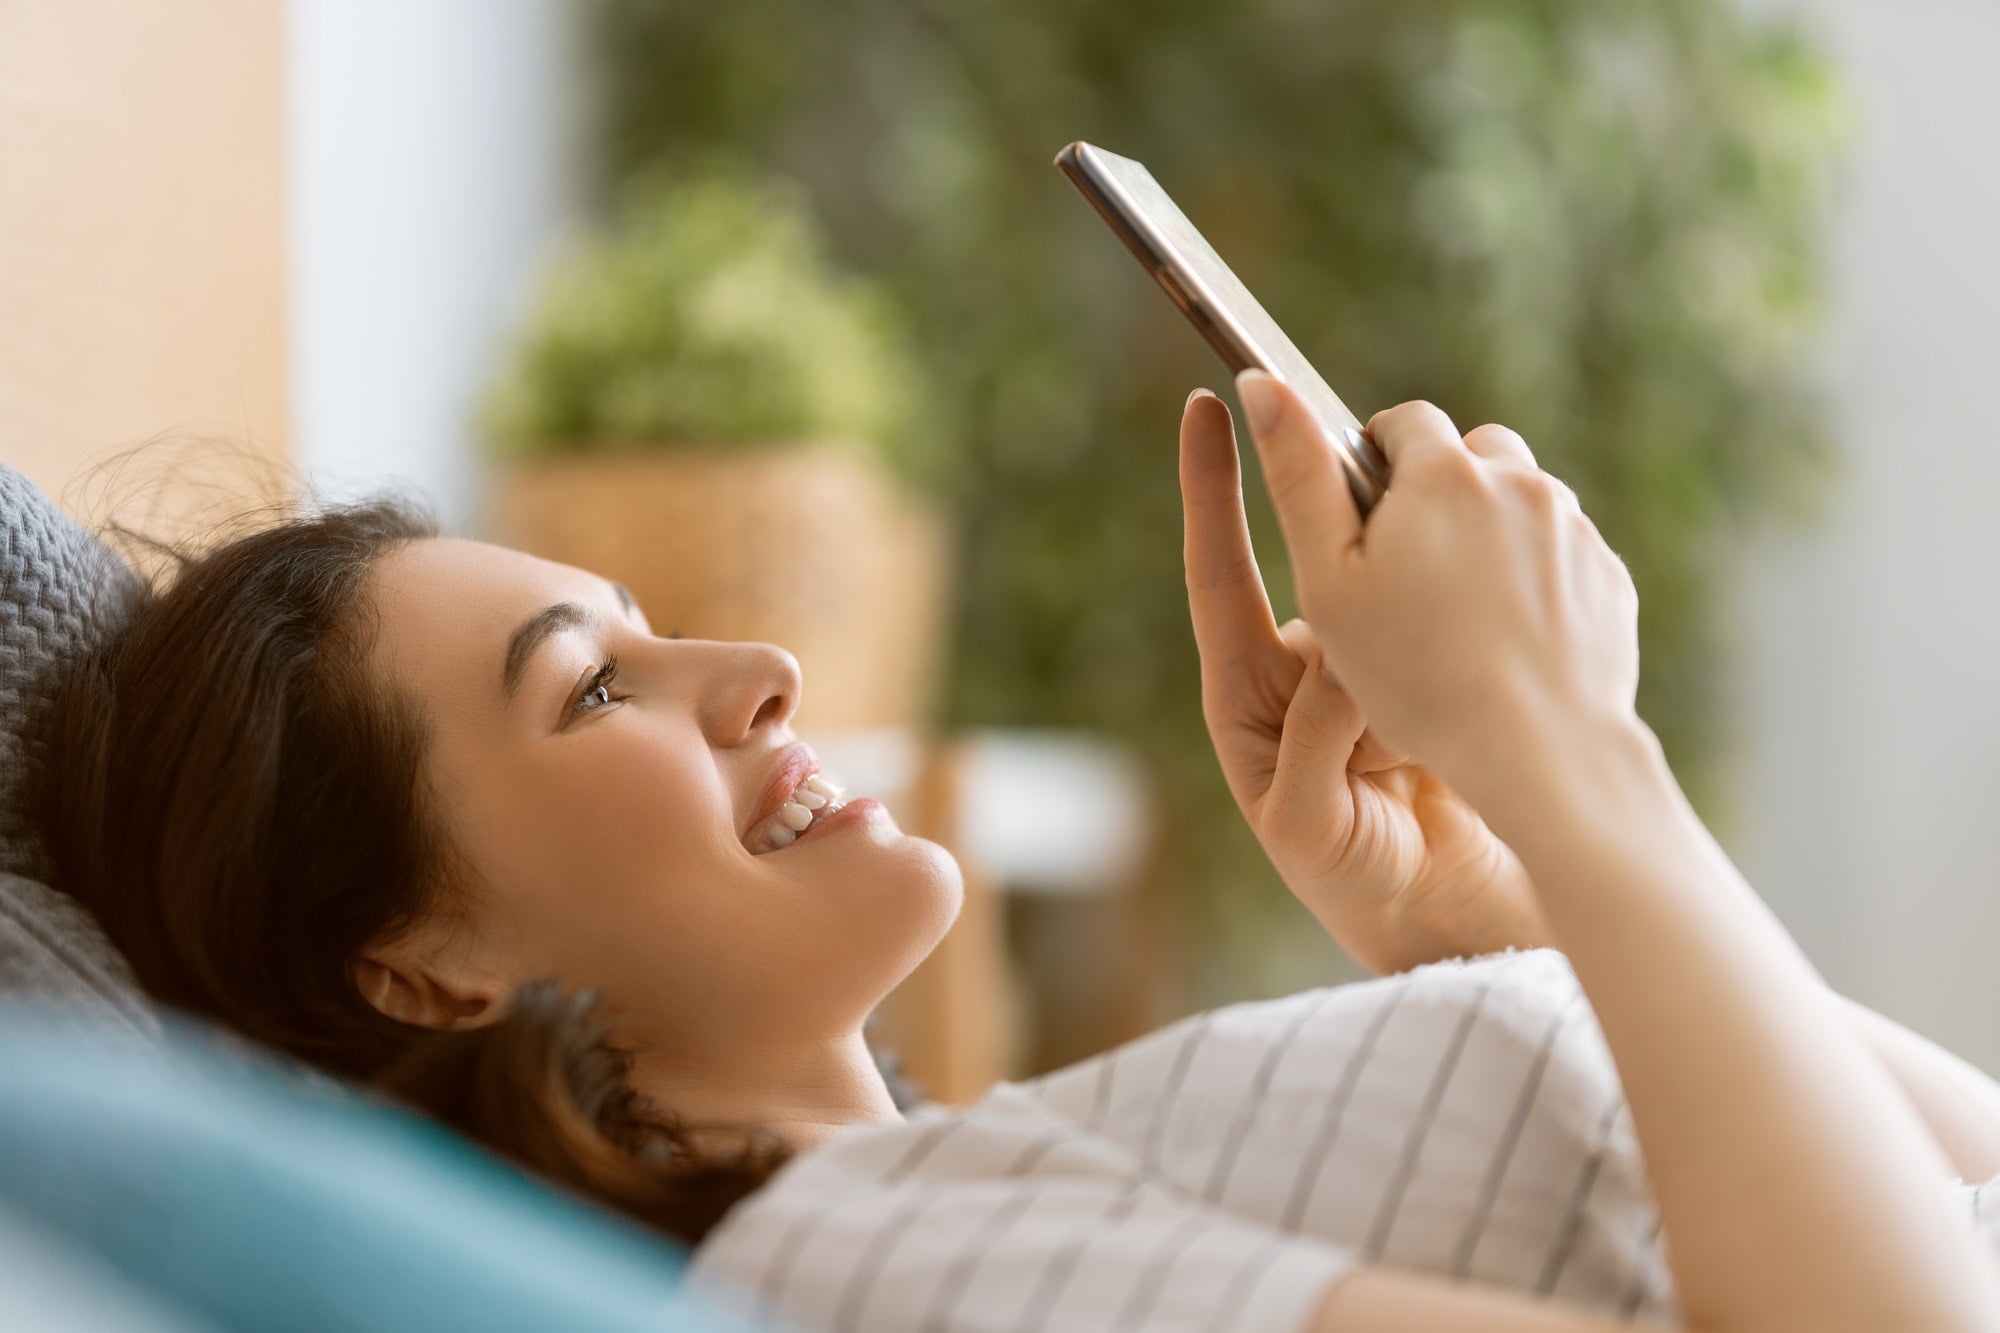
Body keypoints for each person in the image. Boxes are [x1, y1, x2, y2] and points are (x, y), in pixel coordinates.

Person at [34, 368, 2000, 1332]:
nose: (760, 669)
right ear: (418, 966)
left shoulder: (976, 1185)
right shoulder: (875, 1269)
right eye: (593, 688)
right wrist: (1574, 752)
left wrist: (1475, 899)